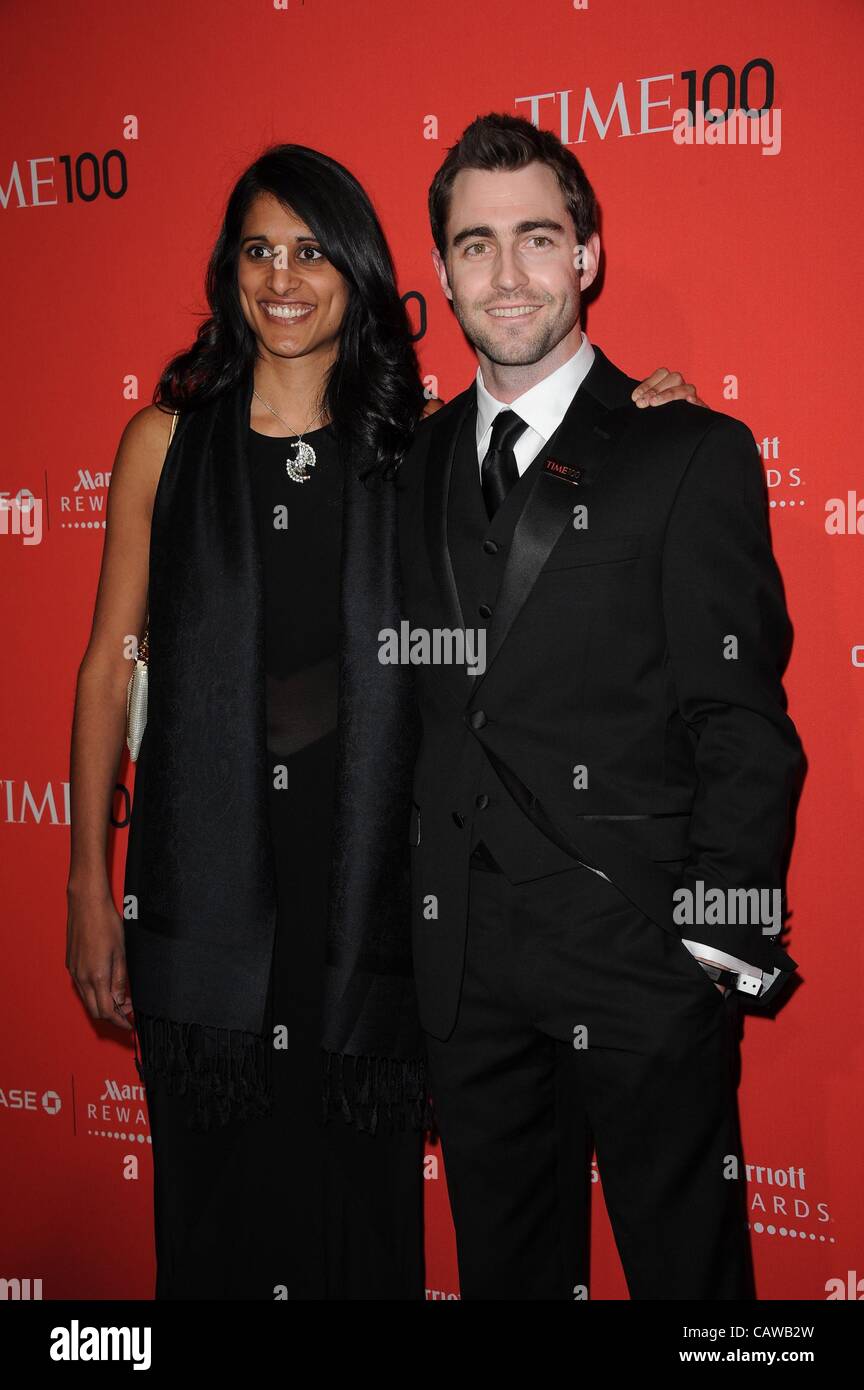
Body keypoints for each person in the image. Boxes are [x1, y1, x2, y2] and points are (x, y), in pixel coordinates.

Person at [65, 139, 703, 1300]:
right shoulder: (165, 442)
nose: (283, 277)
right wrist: (82, 887)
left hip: (369, 893)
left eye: (312, 250)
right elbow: (109, 669)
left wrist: (639, 411)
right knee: (213, 1221)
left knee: (356, 1228)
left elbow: (552, 449)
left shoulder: (411, 449)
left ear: (359, 272)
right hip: (202, 892)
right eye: (258, 249)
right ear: (228, 269)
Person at [396, 113, 804, 1300]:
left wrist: (713, 948)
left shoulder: (688, 451)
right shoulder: (408, 466)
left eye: (537, 237)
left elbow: (742, 719)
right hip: (465, 971)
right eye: (476, 244)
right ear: (444, 272)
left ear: (588, 256)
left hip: (639, 960)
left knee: (694, 1288)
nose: (507, 274)